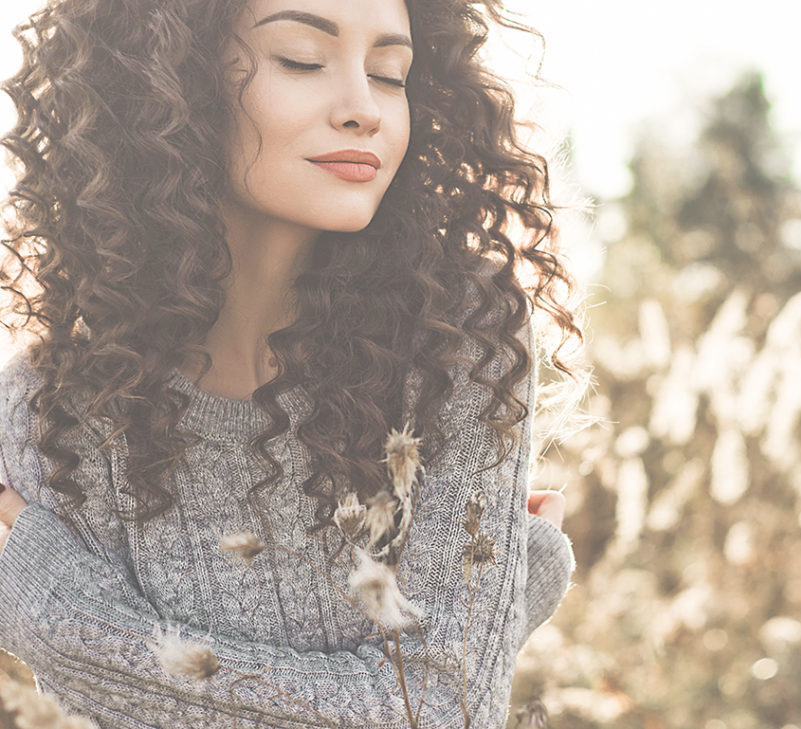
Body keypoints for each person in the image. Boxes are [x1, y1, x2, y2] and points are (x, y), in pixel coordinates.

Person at [0, 0, 583, 726]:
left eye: (390, 73)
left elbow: (441, 712)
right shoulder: (56, 402)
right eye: (302, 61)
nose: (363, 109)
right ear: (166, 84)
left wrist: (60, 619)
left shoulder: (457, 343)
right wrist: (500, 598)